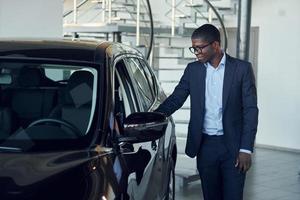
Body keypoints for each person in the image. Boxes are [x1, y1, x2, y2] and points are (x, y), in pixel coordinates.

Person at [155, 24, 258, 200]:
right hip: (205, 146)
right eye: (193, 48)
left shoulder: (241, 69)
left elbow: (250, 110)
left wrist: (246, 149)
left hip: (233, 146)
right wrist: (153, 117)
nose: (196, 52)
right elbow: (176, 99)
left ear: (216, 45)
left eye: (200, 47)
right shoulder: (193, 70)